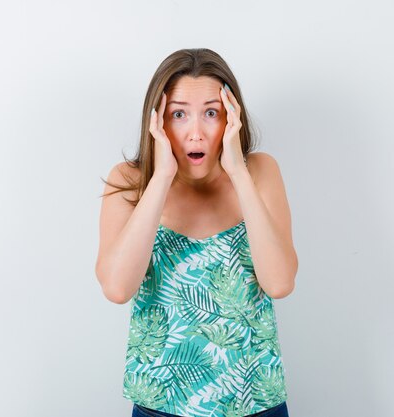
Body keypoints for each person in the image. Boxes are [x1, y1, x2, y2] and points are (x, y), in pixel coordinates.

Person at [95, 48, 298, 417]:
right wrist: (161, 177)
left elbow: (280, 282)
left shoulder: (260, 172)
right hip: (160, 406)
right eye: (178, 114)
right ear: (156, 121)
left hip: (257, 404)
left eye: (210, 113)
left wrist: (238, 172)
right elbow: (117, 288)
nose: (196, 132)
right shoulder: (128, 181)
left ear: (231, 118)